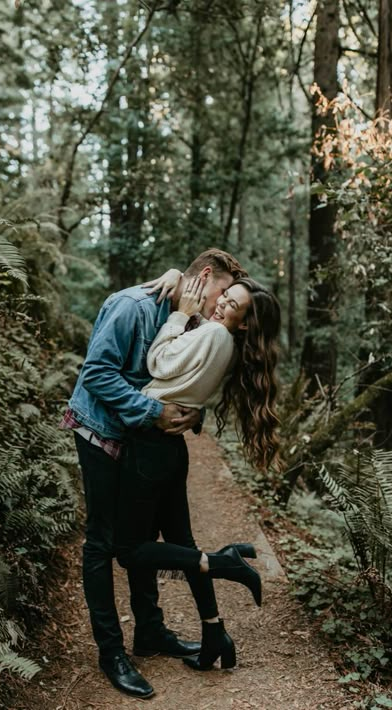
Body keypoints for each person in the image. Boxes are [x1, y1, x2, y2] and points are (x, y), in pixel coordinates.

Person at [61, 249, 245, 699]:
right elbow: (96, 373)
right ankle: (112, 652)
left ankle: (150, 632)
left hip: (138, 441)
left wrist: (190, 416)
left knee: (140, 535)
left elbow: (186, 377)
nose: (220, 308)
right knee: (102, 543)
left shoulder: (190, 318)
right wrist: (153, 411)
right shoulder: (132, 306)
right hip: (100, 434)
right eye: (222, 294)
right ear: (205, 277)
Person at [114, 276, 281, 671]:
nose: (221, 303)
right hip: (169, 450)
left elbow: (159, 363)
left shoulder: (213, 335)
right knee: (180, 542)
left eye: (232, 305)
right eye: (225, 296)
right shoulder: (222, 340)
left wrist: (178, 316)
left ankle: (224, 562)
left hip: (150, 445)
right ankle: (214, 633)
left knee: (128, 549)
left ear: (242, 324)